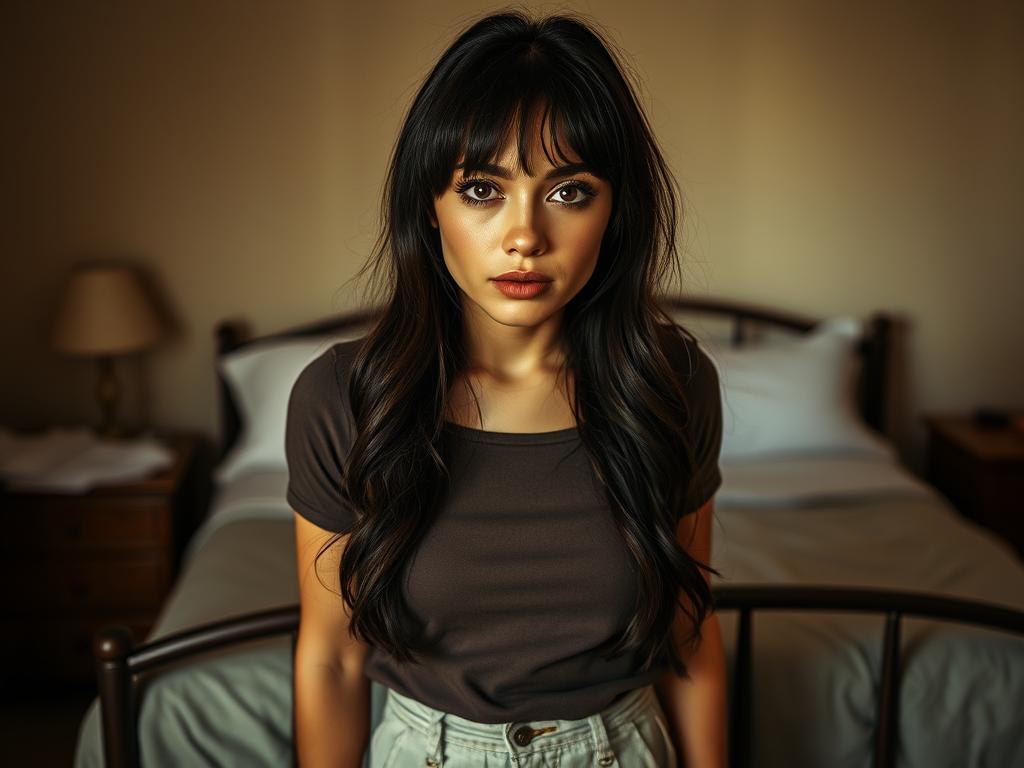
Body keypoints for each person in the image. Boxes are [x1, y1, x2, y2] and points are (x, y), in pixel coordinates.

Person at [287, 9, 727, 768]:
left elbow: (689, 634)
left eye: (568, 193)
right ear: (430, 206)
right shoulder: (344, 396)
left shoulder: (673, 383)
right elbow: (330, 657)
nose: (525, 235)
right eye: (483, 190)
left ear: (614, 211)